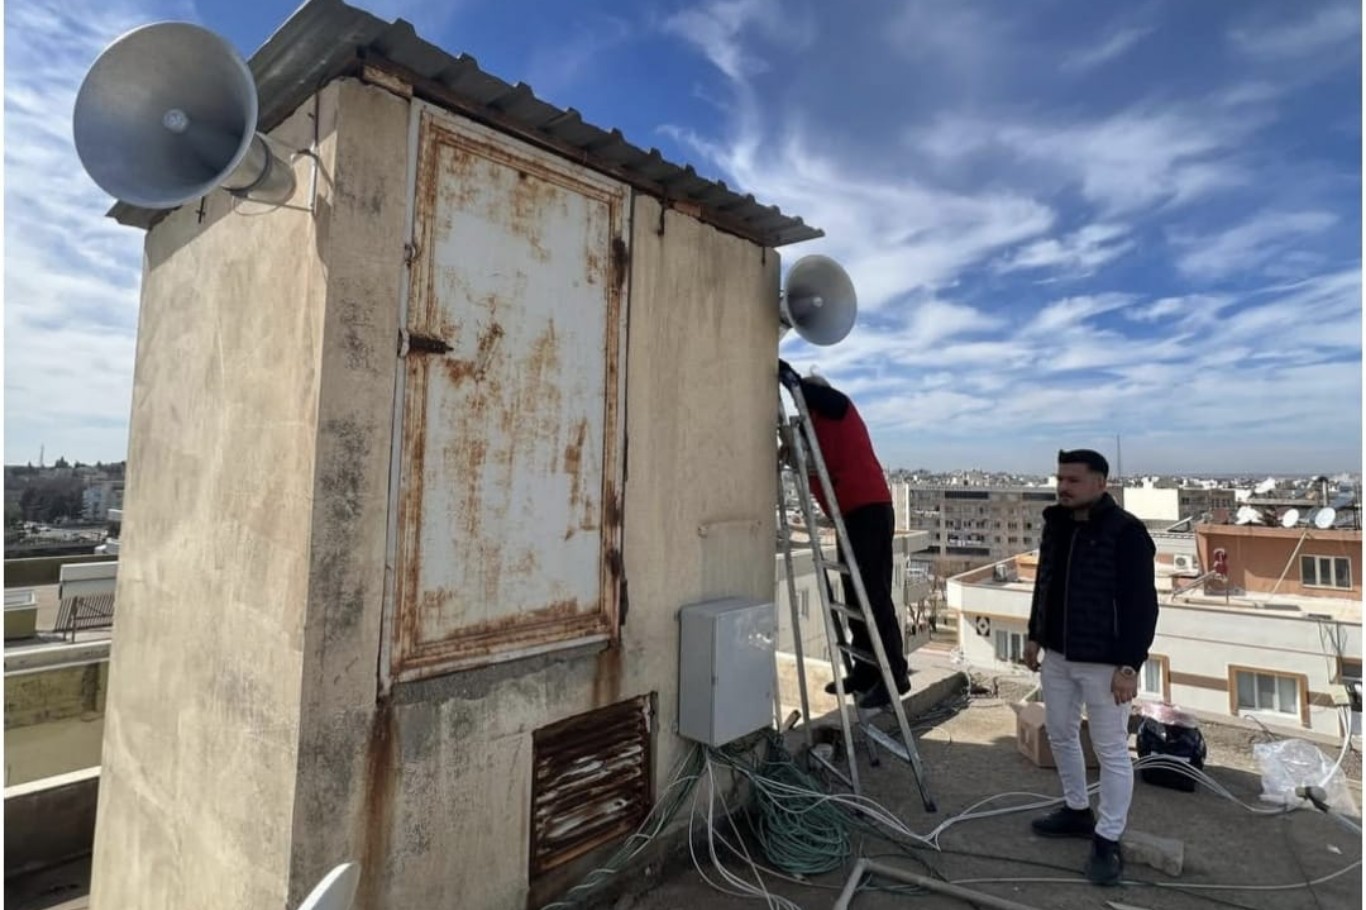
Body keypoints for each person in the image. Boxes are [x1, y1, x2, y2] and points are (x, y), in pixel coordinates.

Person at [1023, 449, 1159, 886]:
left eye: (1073, 480)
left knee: (1111, 748)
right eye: (1059, 479)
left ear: (1101, 483)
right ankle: (1077, 810)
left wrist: (1129, 665)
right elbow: (1044, 583)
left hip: (1104, 663)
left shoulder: (1126, 533)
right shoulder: (1056, 524)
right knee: (1061, 733)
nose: (1063, 487)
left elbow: (1142, 605)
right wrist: (1034, 634)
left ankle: (1108, 838)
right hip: (1058, 656)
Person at [778, 359, 909, 710]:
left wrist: (787, 376)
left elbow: (817, 396)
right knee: (854, 597)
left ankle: (895, 675)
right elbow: (811, 467)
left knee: (872, 595)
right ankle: (867, 670)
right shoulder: (817, 430)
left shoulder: (838, 407)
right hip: (850, 515)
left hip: (869, 509)